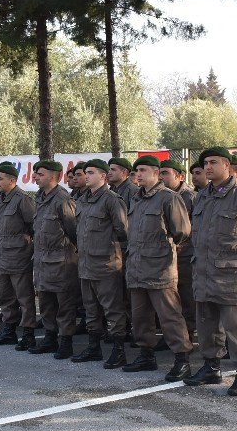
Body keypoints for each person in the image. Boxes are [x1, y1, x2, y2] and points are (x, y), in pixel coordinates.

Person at [184, 147, 237, 397]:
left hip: (232, 273)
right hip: (204, 270)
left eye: (213, 162)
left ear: (227, 166)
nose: (208, 167)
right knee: (207, 323)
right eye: (205, 163)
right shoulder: (202, 196)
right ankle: (211, 367)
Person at [123, 155, 194, 381]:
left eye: (143, 170)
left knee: (170, 316)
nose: (138, 174)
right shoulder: (136, 198)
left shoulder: (168, 198)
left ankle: (182, 360)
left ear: (156, 173)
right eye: (136, 171)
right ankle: (146, 355)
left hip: (160, 268)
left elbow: (182, 231)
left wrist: (163, 249)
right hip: (136, 266)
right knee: (140, 316)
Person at [72, 158, 129, 366]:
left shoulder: (112, 200)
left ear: (103, 176)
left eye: (91, 172)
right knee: (90, 308)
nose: (86, 176)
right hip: (86, 264)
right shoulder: (82, 200)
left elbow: (123, 231)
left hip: (106, 265)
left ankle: (118, 350)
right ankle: (93, 347)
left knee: (113, 309)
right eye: (85, 172)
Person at [30, 160, 79, 358]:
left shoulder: (63, 200)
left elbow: (74, 232)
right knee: (46, 302)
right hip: (42, 261)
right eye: (36, 173)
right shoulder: (40, 198)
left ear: (54, 176)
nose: (36, 177)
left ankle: (66, 341)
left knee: (64, 304)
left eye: (40, 174)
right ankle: (50, 338)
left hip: (61, 261)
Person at [0, 163, 38, 349]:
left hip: (18, 256)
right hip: (1, 256)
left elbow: (34, 224)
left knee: (24, 297)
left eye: (1, 178)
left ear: (12, 180)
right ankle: (9, 331)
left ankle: (28, 333)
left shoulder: (22, 199)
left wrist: (28, 237)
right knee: (6, 296)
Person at [160, 159, 196, 340]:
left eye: (166, 173)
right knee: (170, 297)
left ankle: (188, 332)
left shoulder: (191, 197)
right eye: (160, 173)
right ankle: (173, 334)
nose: (161, 177)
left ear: (180, 176)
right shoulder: (160, 196)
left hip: (186, 254)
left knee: (186, 294)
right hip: (165, 255)